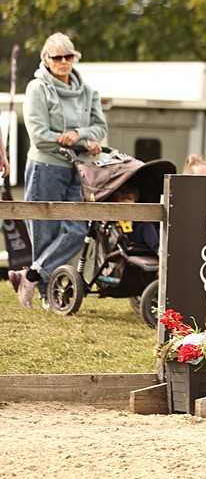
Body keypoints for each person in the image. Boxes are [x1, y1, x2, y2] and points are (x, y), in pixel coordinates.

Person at [9, 33, 107, 309]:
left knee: (76, 230)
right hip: (45, 167)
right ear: (46, 60)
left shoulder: (88, 91)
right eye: (57, 57)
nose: (64, 62)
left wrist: (78, 135)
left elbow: (100, 128)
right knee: (45, 233)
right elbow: (39, 136)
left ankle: (30, 276)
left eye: (68, 57)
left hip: (79, 169)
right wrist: (81, 141)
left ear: (75, 58)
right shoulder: (37, 89)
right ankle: (45, 296)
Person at [110, 182, 159, 255]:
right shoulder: (113, 211)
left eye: (135, 201)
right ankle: (158, 250)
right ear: (119, 199)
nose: (133, 203)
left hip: (134, 235)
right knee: (146, 226)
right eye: (129, 199)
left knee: (157, 231)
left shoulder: (134, 212)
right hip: (124, 240)